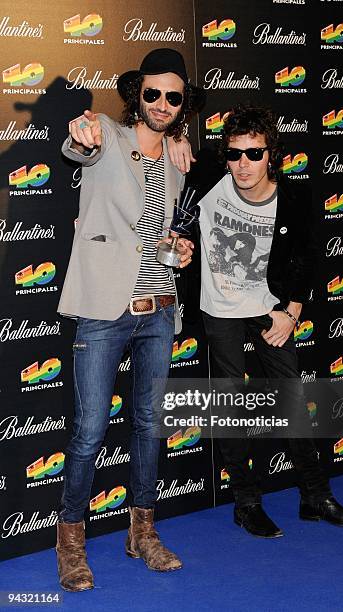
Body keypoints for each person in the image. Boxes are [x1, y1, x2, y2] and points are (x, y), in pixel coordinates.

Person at [185, 103, 343, 538]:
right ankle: (246, 503)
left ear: (272, 154)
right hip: (221, 311)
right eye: (234, 154)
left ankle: (315, 496)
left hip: (271, 310)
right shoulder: (207, 183)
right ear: (224, 156)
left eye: (254, 153)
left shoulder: (291, 197)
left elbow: (307, 261)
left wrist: (291, 312)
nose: (243, 164)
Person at [56, 48, 205, 591]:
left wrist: (180, 251)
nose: (161, 104)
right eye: (152, 93)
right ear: (135, 94)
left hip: (159, 310)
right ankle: (70, 541)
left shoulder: (178, 159)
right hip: (103, 312)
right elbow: (79, 147)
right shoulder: (105, 136)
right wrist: (81, 135)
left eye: (173, 97)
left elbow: (160, 235)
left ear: (182, 105)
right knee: (90, 430)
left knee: (149, 427)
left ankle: (142, 531)